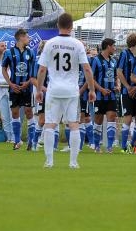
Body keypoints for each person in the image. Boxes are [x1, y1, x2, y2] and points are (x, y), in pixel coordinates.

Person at [35, 13, 96, 168]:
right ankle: (73, 162)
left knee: (50, 124)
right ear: (71, 27)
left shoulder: (49, 44)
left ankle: (49, 162)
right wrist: (91, 89)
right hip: (71, 91)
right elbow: (87, 69)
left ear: (58, 26)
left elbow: (42, 70)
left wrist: (39, 90)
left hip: (54, 90)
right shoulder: (77, 44)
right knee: (74, 124)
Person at [2, 28, 36, 150]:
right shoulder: (8, 52)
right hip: (14, 88)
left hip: (27, 88)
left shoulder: (31, 52)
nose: (29, 39)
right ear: (21, 37)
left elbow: (33, 71)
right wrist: (10, 84)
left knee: (28, 111)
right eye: (27, 37)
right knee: (15, 113)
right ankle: (17, 141)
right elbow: (4, 69)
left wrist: (28, 82)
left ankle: (31, 141)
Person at [90, 38, 119, 153]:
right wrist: (101, 89)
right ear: (108, 46)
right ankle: (97, 146)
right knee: (98, 120)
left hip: (111, 96)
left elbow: (116, 77)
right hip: (99, 95)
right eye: (114, 46)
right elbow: (91, 78)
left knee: (112, 118)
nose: (115, 49)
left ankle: (110, 146)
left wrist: (117, 85)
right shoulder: (95, 60)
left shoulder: (113, 61)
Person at [116, 33, 136, 153]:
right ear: (135, 42)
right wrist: (127, 87)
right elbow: (119, 72)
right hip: (127, 92)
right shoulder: (124, 54)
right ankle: (123, 147)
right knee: (128, 118)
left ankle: (132, 145)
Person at [0, 55, 13, 143]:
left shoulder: (14, 66)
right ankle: (8, 138)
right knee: (5, 117)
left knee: (13, 116)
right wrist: (8, 82)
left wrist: (7, 82)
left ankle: (14, 137)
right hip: (2, 93)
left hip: (12, 93)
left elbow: (15, 80)